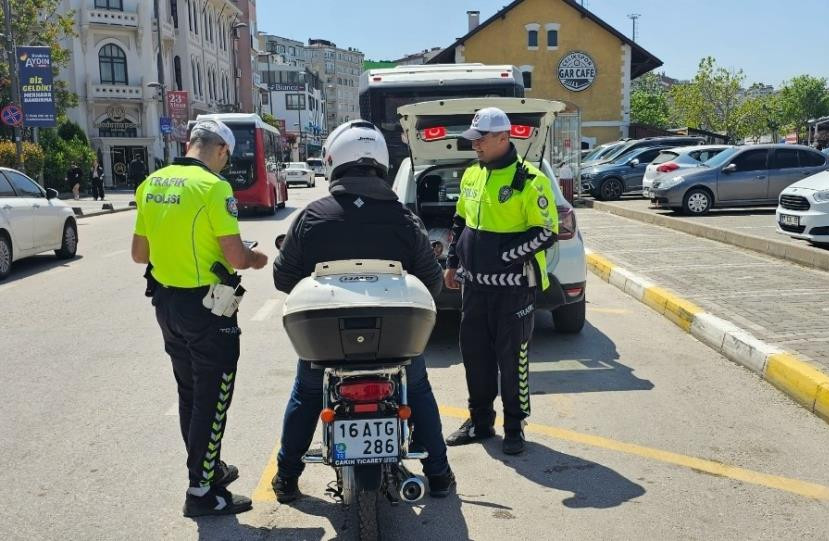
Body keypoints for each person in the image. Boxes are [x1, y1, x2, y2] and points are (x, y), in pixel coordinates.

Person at [270, 120, 456, 502]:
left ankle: (287, 477)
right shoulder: (405, 220)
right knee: (417, 387)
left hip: (325, 343)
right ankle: (438, 474)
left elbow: (283, 277)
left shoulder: (312, 216)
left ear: (333, 161)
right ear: (382, 164)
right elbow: (431, 284)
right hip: (395, 341)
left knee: (307, 392)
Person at [131, 119, 268, 517]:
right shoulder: (213, 187)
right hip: (207, 309)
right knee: (214, 397)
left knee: (190, 393)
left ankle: (206, 470)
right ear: (222, 150)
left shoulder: (152, 183)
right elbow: (238, 257)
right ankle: (201, 493)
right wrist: (256, 258)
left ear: (191, 143)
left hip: (167, 305)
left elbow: (140, 255)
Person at [443, 107, 560, 455]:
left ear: (503, 137)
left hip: (513, 289)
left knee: (512, 360)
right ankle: (480, 423)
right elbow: (460, 222)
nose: (474, 145)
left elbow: (546, 232)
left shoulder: (531, 179)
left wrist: (503, 256)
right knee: (475, 358)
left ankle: (514, 427)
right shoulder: (472, 175)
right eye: (473, 139)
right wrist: (452, 262)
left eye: (480, 139)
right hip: (474, 288)